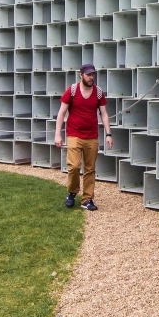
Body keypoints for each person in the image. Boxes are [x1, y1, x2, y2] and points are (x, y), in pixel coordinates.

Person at [54, 63, 113, 210]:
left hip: (92, 136)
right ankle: (72, 192)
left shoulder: (98, 92)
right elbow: (61, 113)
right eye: (88, 74)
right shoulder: (72, 90)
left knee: (90, 168)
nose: (91, 77)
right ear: (81, 75)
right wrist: (57, 135)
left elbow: (104, 114)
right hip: (74, 134)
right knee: (73, 166)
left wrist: (108, 134)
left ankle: (87, 199)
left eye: (93, 74)